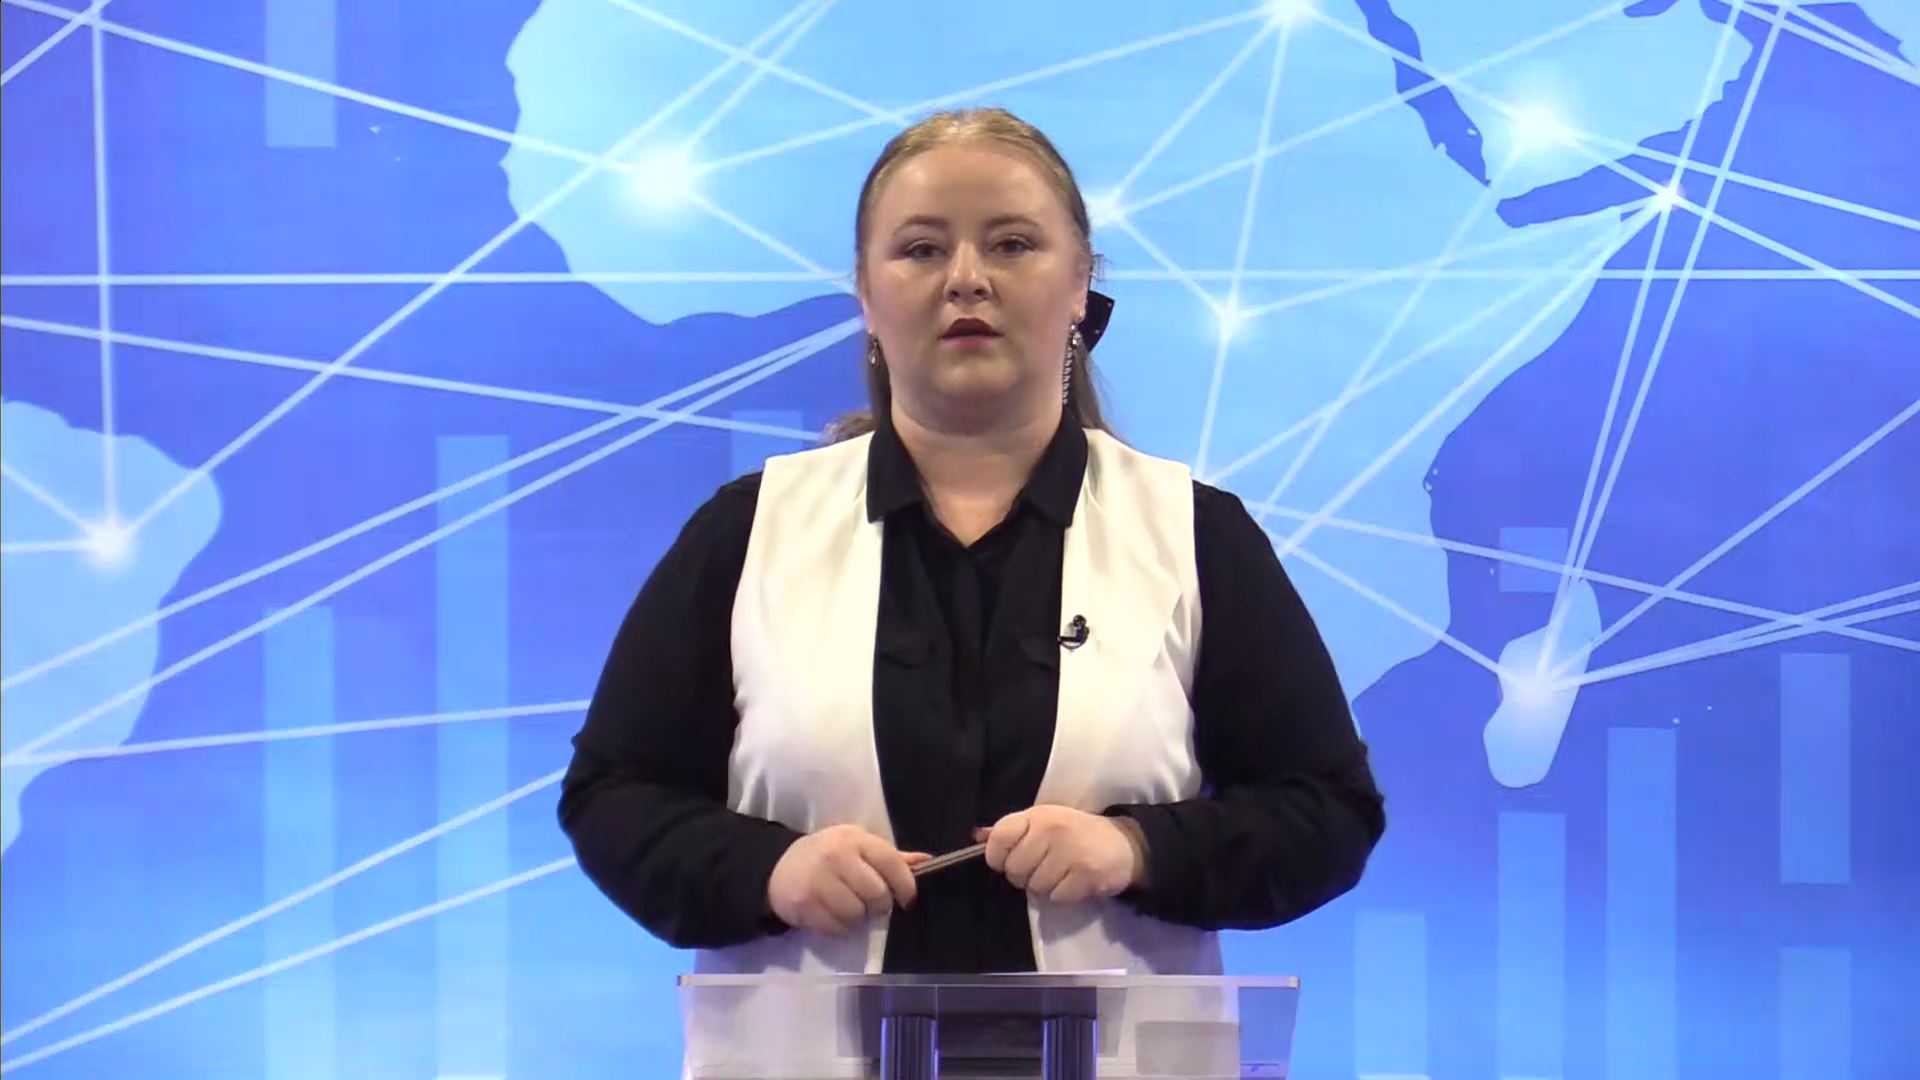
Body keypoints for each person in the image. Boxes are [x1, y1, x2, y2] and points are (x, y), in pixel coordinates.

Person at [558, 107, 1384, 983]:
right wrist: (769, 871)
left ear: (1081, 285)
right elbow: (612, 797)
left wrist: (1139, 850)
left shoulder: (1192, 534)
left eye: (1012, 244)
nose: (965, 280)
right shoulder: (748, 532)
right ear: (866, 296)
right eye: (921, 249)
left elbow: (1328, 814)